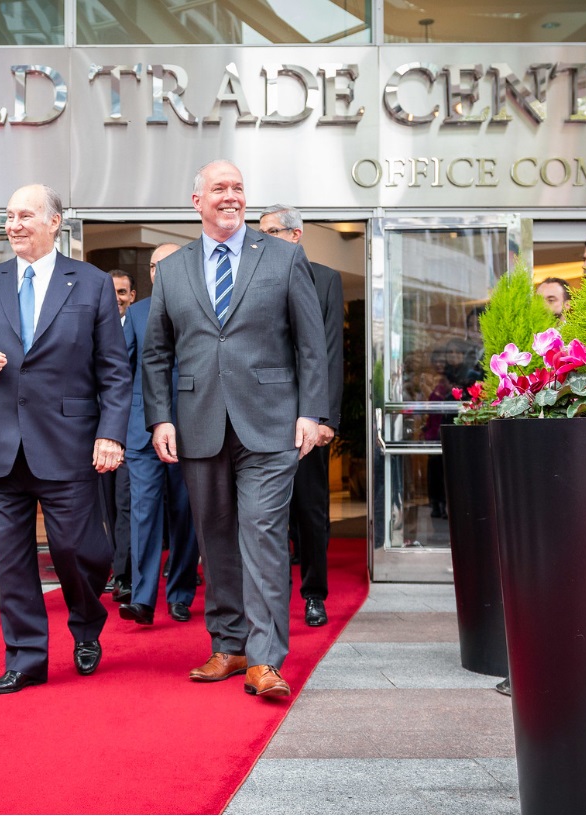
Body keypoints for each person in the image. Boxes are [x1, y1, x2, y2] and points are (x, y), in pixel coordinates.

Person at [142, 160, 327, 698]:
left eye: (238, 188)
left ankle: (265, 659)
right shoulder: (173, 268)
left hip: (271, 426)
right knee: (215, 539)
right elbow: (156, 354)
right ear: (196, 201)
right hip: (198, 425)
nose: (231, 196)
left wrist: (311, 413)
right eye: (219, 189)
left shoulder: (284, 257)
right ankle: (228, 645)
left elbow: (311, 345)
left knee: (264, 536)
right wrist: (160, 418)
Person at [0, 183, 132, 695]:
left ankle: (87, 620)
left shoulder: (90, 284)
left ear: (54, 222)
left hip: (68, 444)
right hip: (1, 445)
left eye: (26, 215)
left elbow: (114, 372)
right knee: (13, 560)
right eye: (8, 216)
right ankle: (26, 658)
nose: (14, 224)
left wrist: (110, 434)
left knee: (78, 550)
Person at [258, 205, 344, 628]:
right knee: (265, 514)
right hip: (261, 416)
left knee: (310, 511)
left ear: (296, 235)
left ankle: (314, 595)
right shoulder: (249, 274)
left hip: (307, 416)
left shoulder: (325, 278)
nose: (264, 238)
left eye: (273, 231)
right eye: (261, 232)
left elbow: (328, 351)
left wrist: (324, 417)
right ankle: (271, 604)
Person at [119, 242, 200, 626]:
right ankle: (143, 598)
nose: (158, 271)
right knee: (143, 515)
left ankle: (181, 593)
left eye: (165, 264)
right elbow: (121, 373)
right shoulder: (135, 313)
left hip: (191, 431)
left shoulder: (201, 307)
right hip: (142, 432)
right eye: (153, 266)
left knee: (186, 516)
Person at [102, 270, 136, 603]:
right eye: (111, 292)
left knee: (125, 505)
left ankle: (124, 575)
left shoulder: (138, 326)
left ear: (132, 296)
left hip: (129, 433)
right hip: (94, 432)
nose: (116, 298)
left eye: (123, 292)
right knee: (106, 507)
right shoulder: (91, 328)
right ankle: (114, 567)